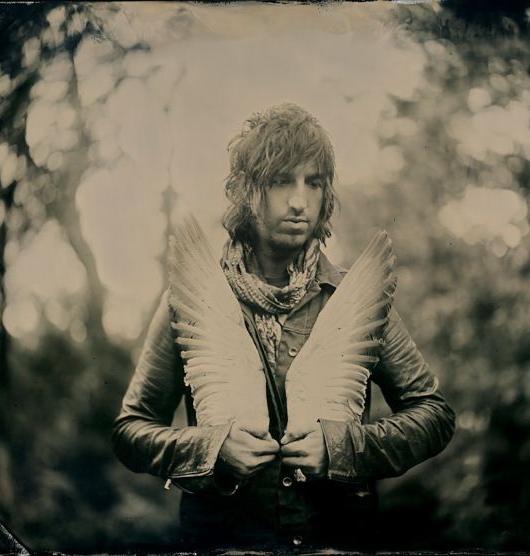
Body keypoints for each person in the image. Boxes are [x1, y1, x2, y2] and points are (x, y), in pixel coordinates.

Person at [112, 102, 456, 551]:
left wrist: (342, 447)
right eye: (280, 181)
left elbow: (434, 415)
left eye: (314, 182)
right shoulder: (193, 297)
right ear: (246, 191)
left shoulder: (355, 299)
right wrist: (212, 449)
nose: (299, 201)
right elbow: (131, 431)